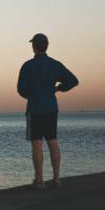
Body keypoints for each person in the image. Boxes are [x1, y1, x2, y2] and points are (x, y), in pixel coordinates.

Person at [17, 33, 78, 189]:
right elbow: (73, 81)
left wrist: (32, 94)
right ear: (46, 46)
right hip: (51, 108)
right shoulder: (55, 64)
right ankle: (56, 179)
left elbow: (21, 90)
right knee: (53, 141)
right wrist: (58, 88)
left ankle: (39, 181)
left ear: (33, 46)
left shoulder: (27, 66)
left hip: (35, 109)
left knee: (37, 144)